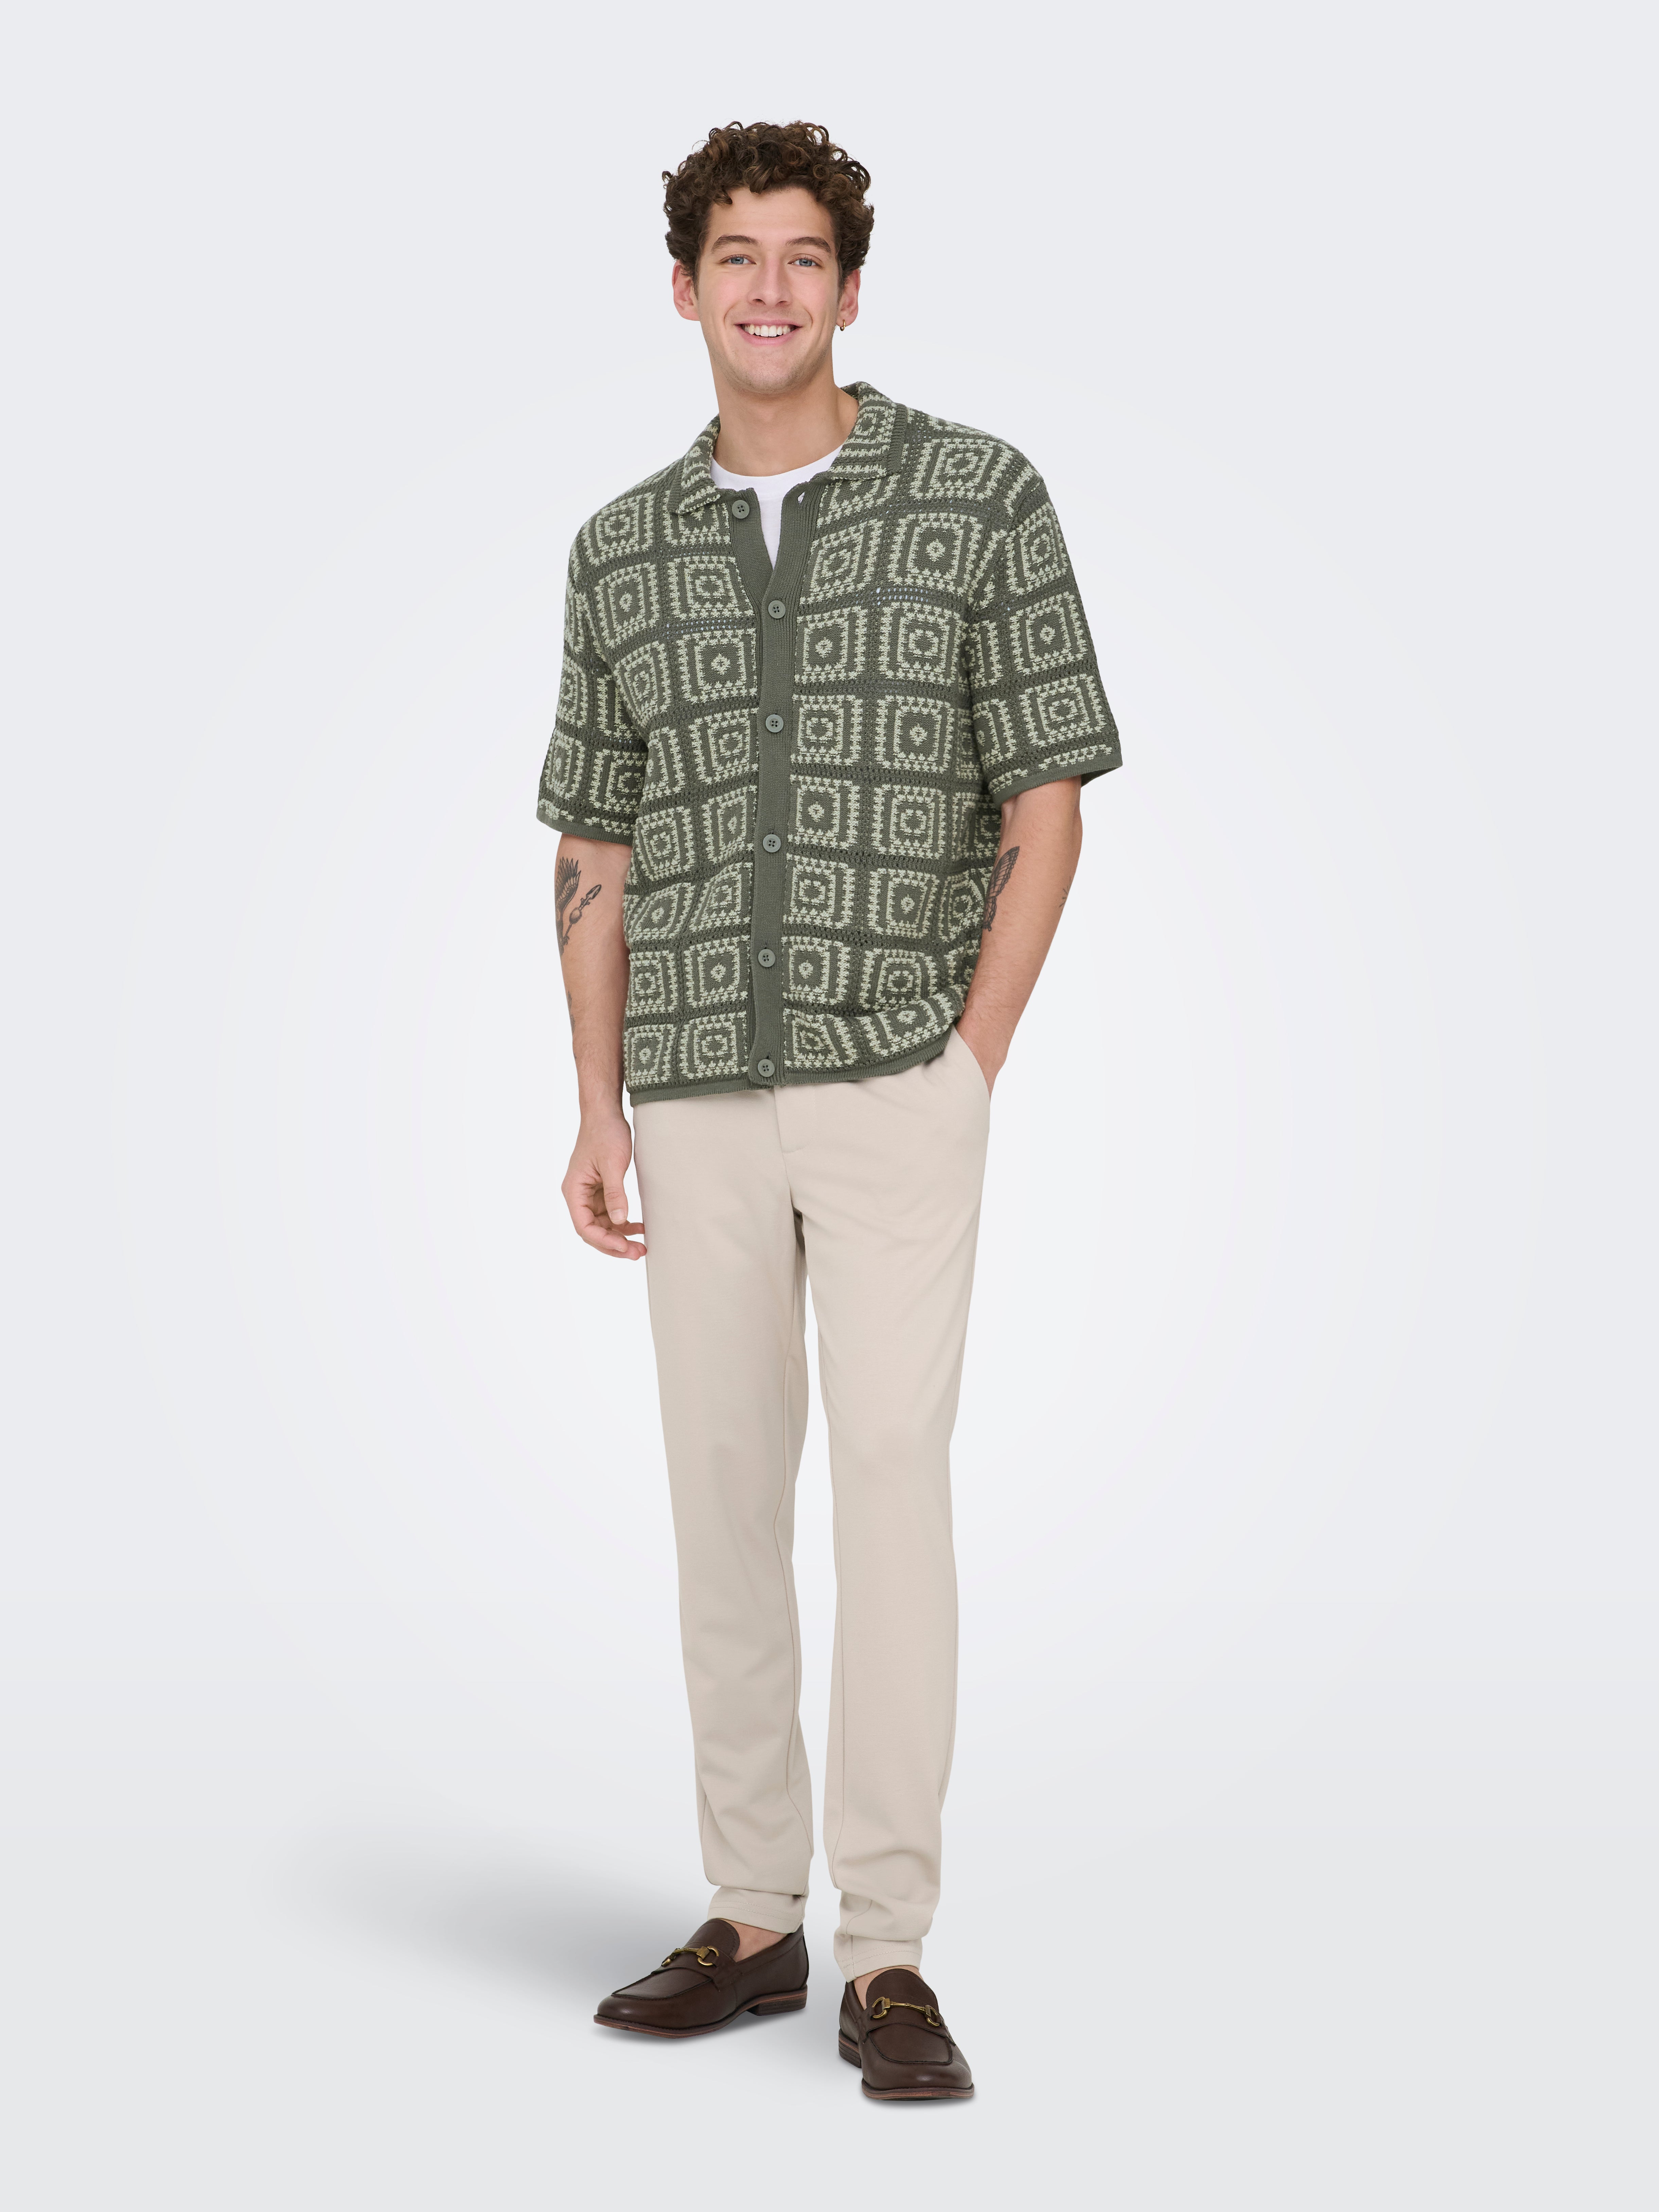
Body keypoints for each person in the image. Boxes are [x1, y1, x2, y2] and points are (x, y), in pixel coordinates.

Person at [536, 119, 1120, 2101]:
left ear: (850, 289)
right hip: (692, 1087)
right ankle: (752, 1914)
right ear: (684, 287)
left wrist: (971, 1057)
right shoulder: (620, 546)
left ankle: (888, 1952)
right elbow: (596, 841)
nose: (769, 288)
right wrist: (595, 1098)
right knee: (720, 1498)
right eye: (736, 256)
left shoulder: (977, 495)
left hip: (897, 1079)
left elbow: (1045, 801)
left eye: (803, 257)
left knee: (888, 1486)